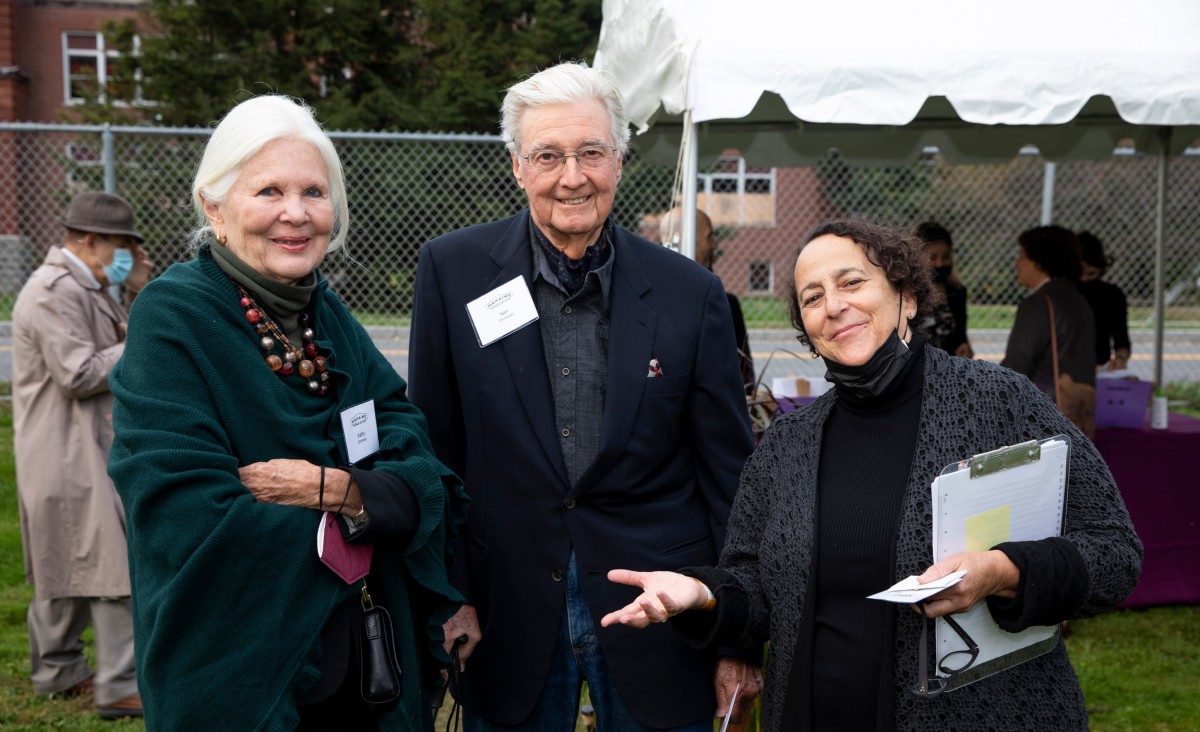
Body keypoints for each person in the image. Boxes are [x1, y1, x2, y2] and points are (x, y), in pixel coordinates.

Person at [600, 219, 1142, 731]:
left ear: (905, 296)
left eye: (851, 282)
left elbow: (1114, 552)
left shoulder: (998, 401)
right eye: (813, 298)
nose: (834, 306)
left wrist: (1004, 571)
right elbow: (760, 592)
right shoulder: (787, 444)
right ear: (808, 331)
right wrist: (700, 592)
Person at [408, 61, 759, 730]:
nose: (573, 176)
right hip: (505, 610)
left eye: (591, 152)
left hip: (656, 612)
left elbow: (729, 478)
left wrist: (734, 633)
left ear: (620, 161)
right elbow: (434, 455)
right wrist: (447, 595)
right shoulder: (451, 273)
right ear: (517, 166)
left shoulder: (692, 294)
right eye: (549, 155)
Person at [106, 95, 467, 730]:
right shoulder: (173, 317)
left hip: (363, 665)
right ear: (214, 207)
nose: (295, 214)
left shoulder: (327, 315)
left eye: (313, 192)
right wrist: (369, 514)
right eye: (268, 190)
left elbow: (414, 456)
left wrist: (339, 493)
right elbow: (185, 515)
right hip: (243, 670)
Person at [12, 190, 151, 719]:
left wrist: (136, 295)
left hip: (83, 446)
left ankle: (56, 669)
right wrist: (138, 327)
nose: (128, 257)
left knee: (65, 559)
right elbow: (78, 374)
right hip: (65, 450)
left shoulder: (92, 285)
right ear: (88, 241)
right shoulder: (53, 291)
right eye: (120, 246)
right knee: (107, 561)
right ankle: (118, 686)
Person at [1001, 225, 1097, 437]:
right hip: (1077, 420)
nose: (1017, 263)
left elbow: (1016, 366)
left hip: (1040, 420)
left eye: (1022, 256)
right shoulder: (1078, 300)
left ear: (1040, 261)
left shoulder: (1038, 304)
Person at [660, 206, 756, 394]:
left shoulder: (645, 298)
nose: (714, 245)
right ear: (688, 240)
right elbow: (744, 379)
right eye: (709, 237)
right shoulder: (723, 305)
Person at [914, 221, 973, 358]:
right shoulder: (910, 294)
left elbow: (961, 335)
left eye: (945, 257)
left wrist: (964, 347)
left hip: (952, 368)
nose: (939, 264)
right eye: (933, 258)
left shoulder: (957, 292)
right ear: (918, 258)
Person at [1076, 231, 1132, 371]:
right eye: (1079, 273)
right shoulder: (1061, 293)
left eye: (1091, 274)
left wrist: (1120, 358)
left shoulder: (1111, 295)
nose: (1085, 280)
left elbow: (1121, 339)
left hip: (1100, 368)